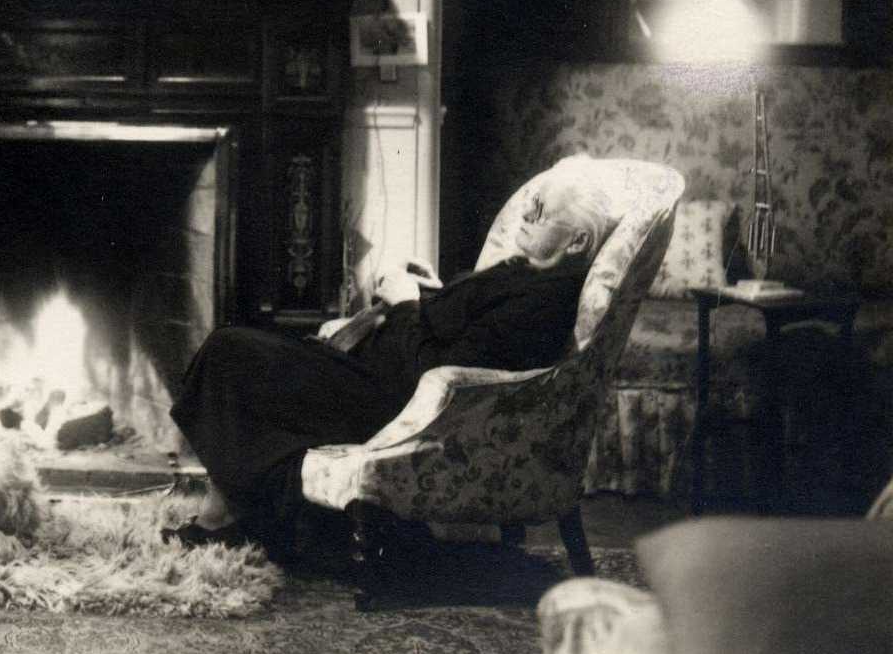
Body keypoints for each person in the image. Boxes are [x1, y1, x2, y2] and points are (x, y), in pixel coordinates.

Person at [164, 172, 616, 556]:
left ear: (578, 240)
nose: (526, 217)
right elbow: (467, 331)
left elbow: (437, 374)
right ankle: (234, 512)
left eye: (541, 213)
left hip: (392, 403)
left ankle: (228, 516)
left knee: (230, 353)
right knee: (239, 354)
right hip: (379, 374)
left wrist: (405, 305)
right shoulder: (531, 275)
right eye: (531, 206)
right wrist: (436, 293)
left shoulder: (544, 302)